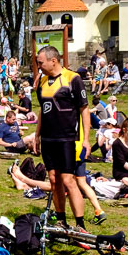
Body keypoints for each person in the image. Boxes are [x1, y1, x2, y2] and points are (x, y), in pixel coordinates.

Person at [33, 44, 91, 230]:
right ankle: (61, 219)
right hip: (49, 139)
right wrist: (37, 135)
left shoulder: (73, 79)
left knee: (68, 179)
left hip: (67, 138)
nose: (38, 65)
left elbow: (84, 110)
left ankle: (80, 223)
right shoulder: (41, 82)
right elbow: (43, 109)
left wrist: (86, 139)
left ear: (53, 60)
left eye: (40, 62)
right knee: (53, 179)